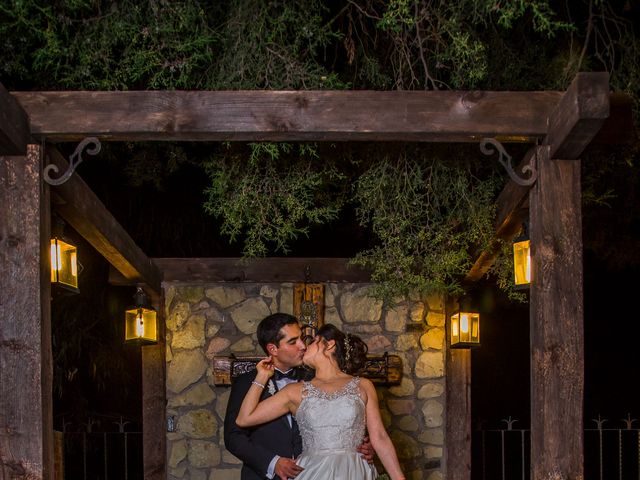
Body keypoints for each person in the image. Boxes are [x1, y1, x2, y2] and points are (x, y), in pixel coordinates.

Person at [236, 323, 406, 480]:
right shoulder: (295, 391)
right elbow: (244, 419)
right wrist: (262, 377)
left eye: (311, 342)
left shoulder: (363, 385)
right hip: (312, 471)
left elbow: (380, 437)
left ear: (329, 344)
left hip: (354, 470)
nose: (303, 347)